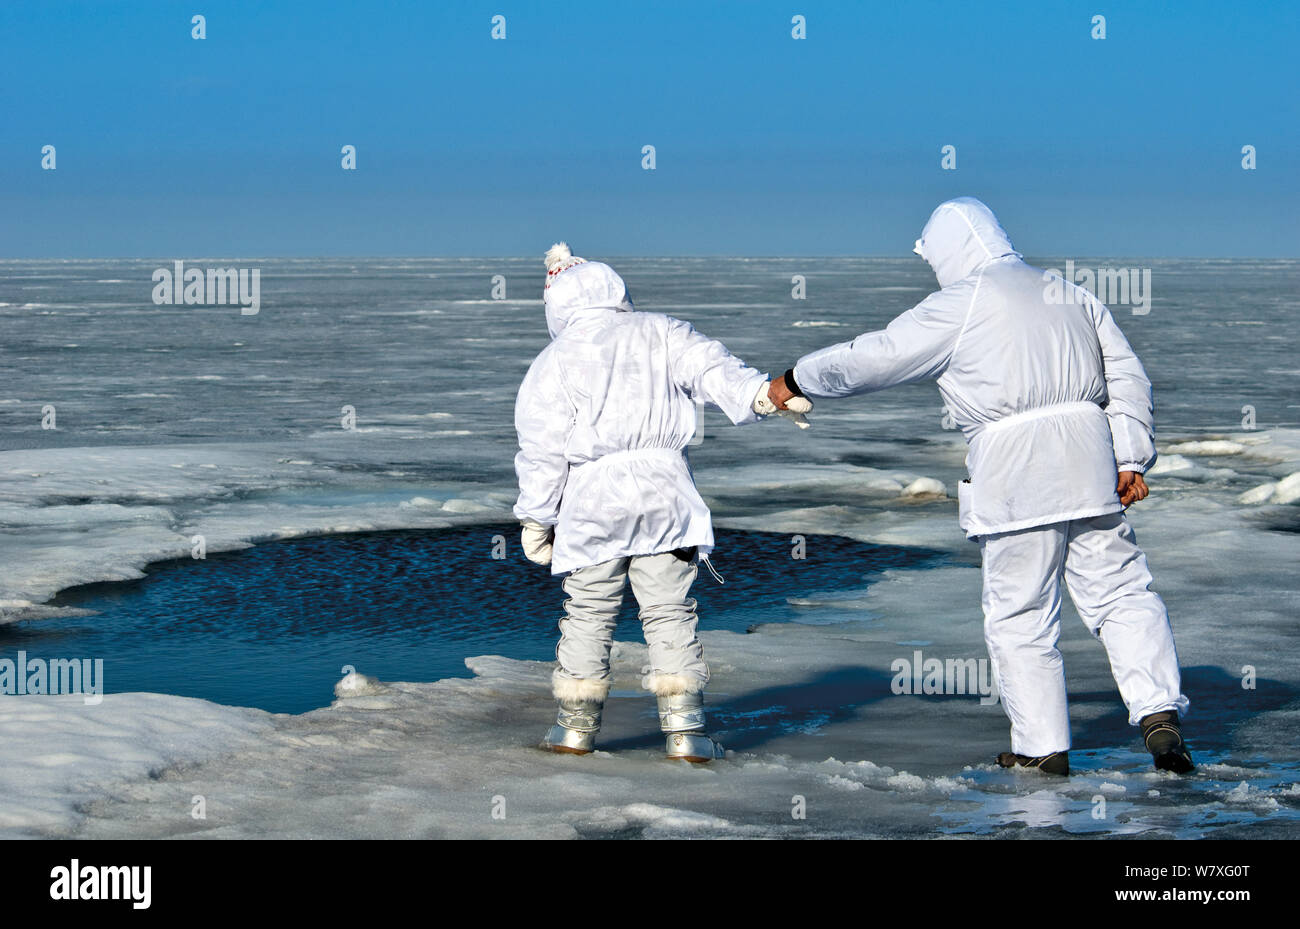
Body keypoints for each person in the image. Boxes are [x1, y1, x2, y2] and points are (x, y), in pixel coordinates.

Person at [767, 198, 1193, 775]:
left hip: (1017, 470)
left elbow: (877, 358)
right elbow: (1126, 375)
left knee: (1021, 612)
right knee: (1121, 590)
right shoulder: (1069, 292)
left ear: (947, 250)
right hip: (1091, 460)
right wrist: (1132, 457)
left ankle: (1042, 748)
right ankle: (1159, 715)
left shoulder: (960, 304)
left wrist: (797, 378)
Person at [514, 243, 810, 762]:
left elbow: (541, 448)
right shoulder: (662, 330)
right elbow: (716, 369)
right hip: (664, 494)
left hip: (593, 501)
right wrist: (761, 396)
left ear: (555, 304)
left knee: (588, 613)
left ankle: (574, 731)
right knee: (670, 613)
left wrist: (538, 517)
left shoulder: (553, 359)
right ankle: (687, 734)